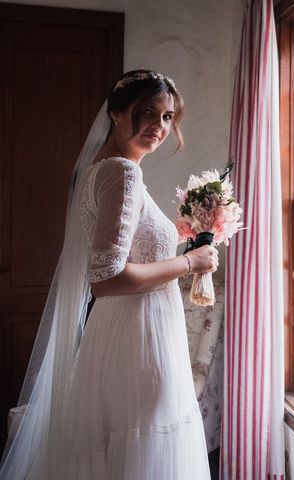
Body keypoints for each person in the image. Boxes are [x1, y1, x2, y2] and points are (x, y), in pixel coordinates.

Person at [0, 70, 216, 479]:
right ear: (116, 112)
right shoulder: (123, 172)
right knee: (140, 448)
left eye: (168, 117)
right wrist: (192, 262)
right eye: (147, 112)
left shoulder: (101, 168)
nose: (158, 126)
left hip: (121, 331)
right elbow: (107, 279)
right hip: (138, 336)